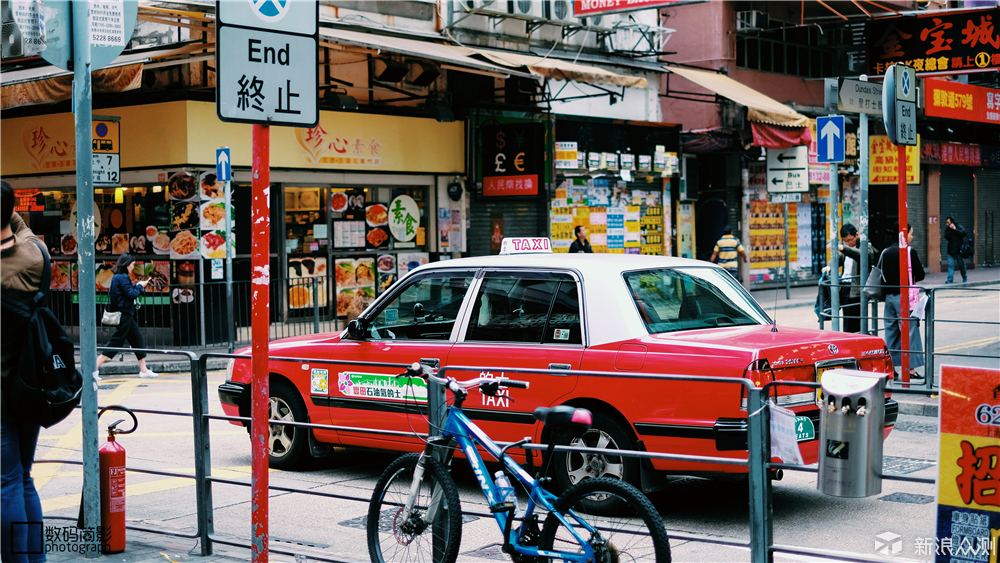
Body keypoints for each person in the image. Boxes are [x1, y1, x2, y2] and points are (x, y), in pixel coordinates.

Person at [1, 181, 47, 562]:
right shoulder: (36, 256)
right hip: (30, 385)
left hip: (0, 395)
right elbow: (22, 229)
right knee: (24, 478)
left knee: (6, 484)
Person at [95, 253, 157, 378]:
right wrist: (140, 286)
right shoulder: (123, 277)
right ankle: (94, 368)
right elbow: (131, 294)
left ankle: (143, 370)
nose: (133, 267)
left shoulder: (118, 277)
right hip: (124, 314)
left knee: (137, 339)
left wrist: (137, 286)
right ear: (127, 264)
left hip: (126, 313)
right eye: (133, 264)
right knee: (116, 342)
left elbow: (126, 293)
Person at [882, 223, 925, 383]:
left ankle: (891, 368)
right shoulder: (908, 251)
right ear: (904, 234)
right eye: (911, 233)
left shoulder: (886, 252)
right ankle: (910, 370)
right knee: (910, 332)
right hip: (905, 298)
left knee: (891, 332)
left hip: (889, 299)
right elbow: (920, 274)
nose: (912, 237)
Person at [826, 223, 876, 333]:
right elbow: (839, 258)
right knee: (848, 321)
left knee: (854, 323)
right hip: (845, 287)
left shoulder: (865, 246)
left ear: (857, 235)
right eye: (845, 241)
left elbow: (861, 255)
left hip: (856, 290)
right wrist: (829, 266)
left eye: (850, 240)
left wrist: (843, 248)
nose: (848, 243)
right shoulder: (848, 249)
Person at [944, 216, 968, 284]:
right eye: (946, 222)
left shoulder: (958, 226)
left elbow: (963, 233)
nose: (947, 224)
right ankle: (950, 278)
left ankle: (964, 277)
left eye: (948, 222)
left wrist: (955, 229)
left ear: (952, 221)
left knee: (961, 265)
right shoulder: (948, 229)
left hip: (958, 250)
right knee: (951, 265)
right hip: (950, 251)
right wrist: (950, 229)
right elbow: (946, 237)